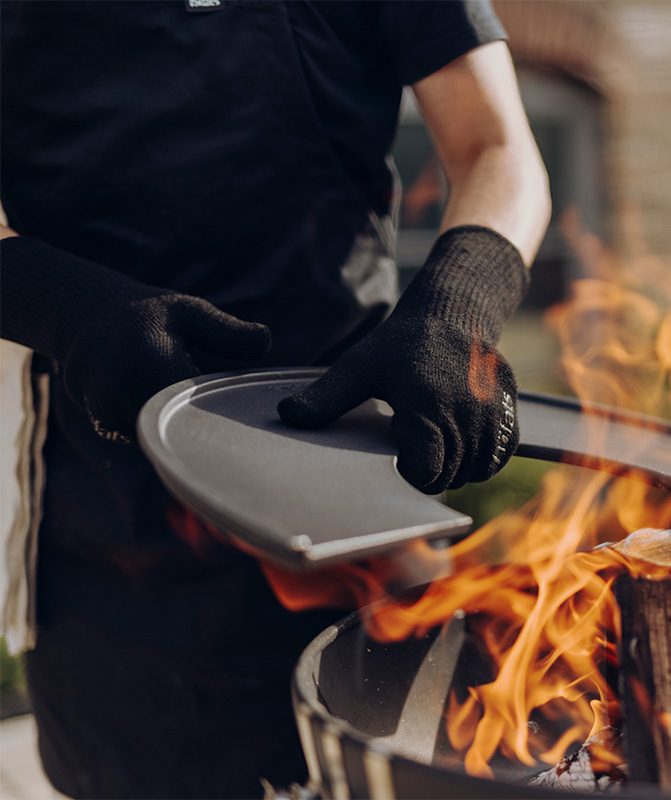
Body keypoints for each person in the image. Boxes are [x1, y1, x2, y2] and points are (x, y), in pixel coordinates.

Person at [0, 1, 550, 797]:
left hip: (353, 466)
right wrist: (62, 305)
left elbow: (499, 148)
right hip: (106, 503)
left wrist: (459, 307)